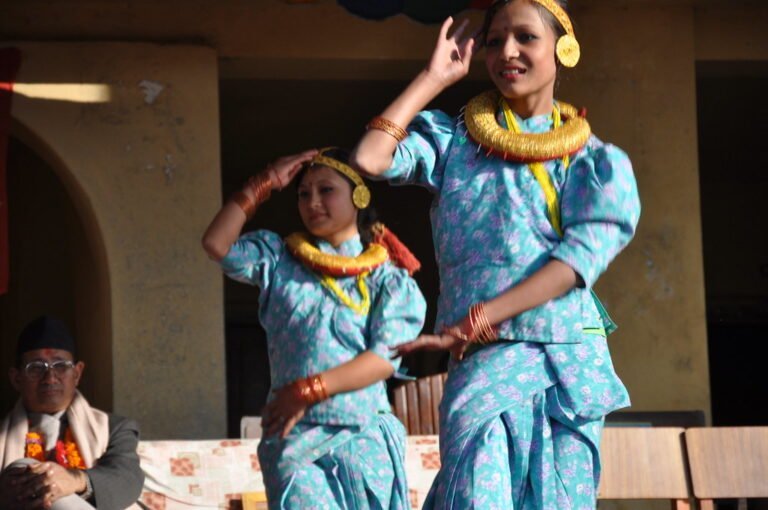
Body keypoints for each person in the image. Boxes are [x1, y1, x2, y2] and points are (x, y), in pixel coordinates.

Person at [350, 0, 641, 508]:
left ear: (562, 47)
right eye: (494, 40)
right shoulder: (453, 142)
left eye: (526, 37)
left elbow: (575, 264)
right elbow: (370, 158)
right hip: (484, 364)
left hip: (565, 364)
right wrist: (432, 77)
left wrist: (482, 316)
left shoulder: (593, 163)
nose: (508, 51)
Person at [201, 148, 426, 509]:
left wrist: (308, 390)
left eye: (326, 190)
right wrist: (262, 184)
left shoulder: (387, 278)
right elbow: (216, 244)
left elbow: (384, 359)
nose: (313, 202)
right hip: (296, 436)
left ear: (359, 195)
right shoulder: (278, 260)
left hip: (363, 432)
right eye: (303, 193)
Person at [0, 316, 144, 510]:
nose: (50, 378)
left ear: (77, 373)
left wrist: (76, 481)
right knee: (21, 469)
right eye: (36, 368)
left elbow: (127, 479)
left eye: (61, 366)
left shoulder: (114, 428)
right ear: (17, 379)